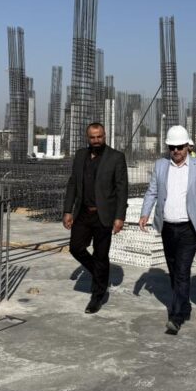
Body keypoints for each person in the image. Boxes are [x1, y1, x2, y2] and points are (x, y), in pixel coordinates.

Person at [138, 125, 196, 335]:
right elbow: (152, 191)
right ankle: (184, 304)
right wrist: (145, 213)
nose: (176, 151)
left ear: (188, 146)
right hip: (167, 227)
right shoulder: (161, 165)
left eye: (180, 147)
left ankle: (176, 315)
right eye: (172, 147)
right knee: (173, 269)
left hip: (189, 228)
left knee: (182, 271)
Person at [63, 122, 128, 314]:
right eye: (92, 137)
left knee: (101, 255)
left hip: (103, 215)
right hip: (83, 212)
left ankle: (97, 296)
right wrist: (68, 210)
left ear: (105, 136)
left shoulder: (116, 157)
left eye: (99, 136)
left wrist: (119, 217)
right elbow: (73, 183)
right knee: (76, 247)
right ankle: (100, 274)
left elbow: (122, 189)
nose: (96, 140)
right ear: (87, 138)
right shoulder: (80, 155)